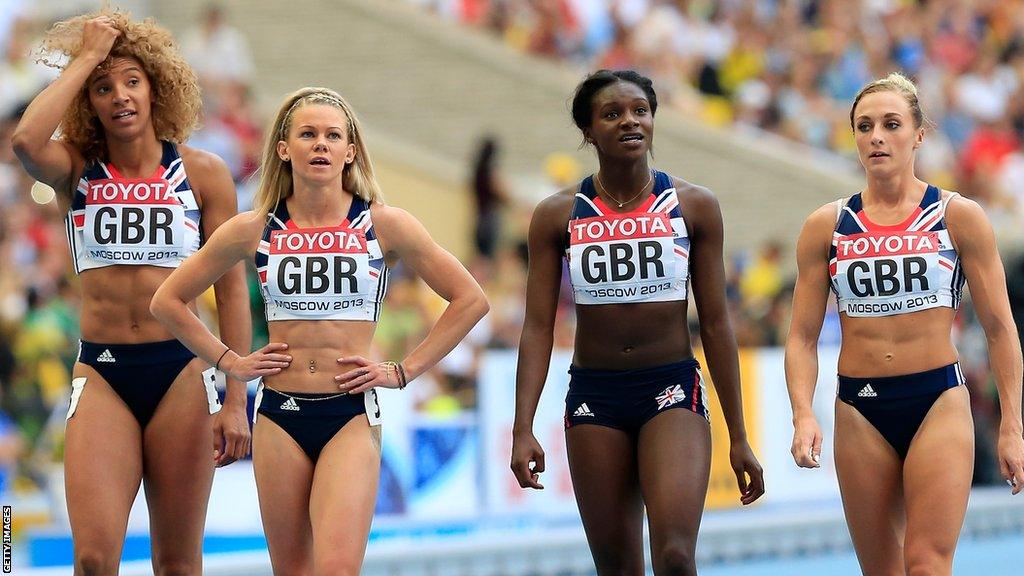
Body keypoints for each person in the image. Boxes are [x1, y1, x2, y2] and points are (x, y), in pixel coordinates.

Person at [151, 87, 489, 575]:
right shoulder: (255, 228)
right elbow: (167, 300)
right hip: (280, 415)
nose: (320, 145)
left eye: (333, 136)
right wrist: (231, 363)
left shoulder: (383, 224)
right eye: (307, 134)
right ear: (284, 148)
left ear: (350, 151)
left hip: (349, 413)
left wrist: (404, 370)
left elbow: (470, 299)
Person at [10, 11, 252, 574]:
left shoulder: (204, 174)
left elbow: (232, 292)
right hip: (102, 370)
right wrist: (88, 56)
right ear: (87, 100)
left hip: (182, 373)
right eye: (103, 86)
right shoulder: (75, 167)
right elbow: (25, 139)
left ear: (156, 87)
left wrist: (237, 397)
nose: (119, 96)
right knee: (94, 559)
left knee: (177, 563)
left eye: (132, 81)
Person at [511, 69, 764, 576]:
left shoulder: (693, 206)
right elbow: (538, 327)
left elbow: (715, 324)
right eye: (612, 114)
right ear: (588, 132)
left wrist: (739, 435)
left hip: (671, 388)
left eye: (639, 111)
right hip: (594, 397)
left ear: (652, 120)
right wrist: (523, 426)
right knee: (618, 567)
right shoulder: (557, 214)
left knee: (674, 557)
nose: (629, 121)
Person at [786, 72, 1024, 576]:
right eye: (864, 126)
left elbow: (1001, 328)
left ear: (918, 134)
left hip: (937, 400)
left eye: (891, 124)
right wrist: (803, 414)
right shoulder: (826, 226)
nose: (876, 136)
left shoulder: (959, 217)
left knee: (928, 564)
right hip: (859, 409)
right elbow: (802, 337)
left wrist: (1013, 426)